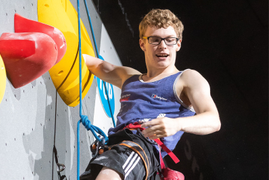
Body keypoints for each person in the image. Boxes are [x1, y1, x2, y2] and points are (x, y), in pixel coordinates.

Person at [80, 9, 221, 180]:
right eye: (155, 40)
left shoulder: (186, 78)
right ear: (142, 44)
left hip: (142, 147)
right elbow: (94, 64)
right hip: (114, 147)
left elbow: (213, 120)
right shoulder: (130, 77)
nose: (163, 46)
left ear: (178, 44)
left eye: (169, 40)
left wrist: (177, 124)